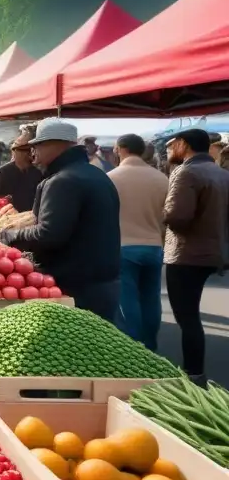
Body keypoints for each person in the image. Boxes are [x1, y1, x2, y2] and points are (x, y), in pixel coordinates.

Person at [0, 119, 122, 322]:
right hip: (101, 281)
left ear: (56, 144)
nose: (32, 153)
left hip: (75, 286)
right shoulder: (97, 175)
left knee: (77, 348)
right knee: (97, 347)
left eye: (37, 146)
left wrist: (9, 235)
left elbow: (48, 234)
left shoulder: (63, 181)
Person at [162, 127, 229, 382]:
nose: (171, 149)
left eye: (173, 144)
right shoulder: (221, 173)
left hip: (186, 254)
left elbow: (177, 217)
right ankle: (194, 370)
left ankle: (193, 373)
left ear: (184, 144)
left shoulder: (186, 171)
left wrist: (163, 210)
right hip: (213, 251)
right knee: (190, 315)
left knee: (187, 317)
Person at [107, 133, 169, 351]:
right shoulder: (161, 178)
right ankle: (151, 347)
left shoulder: (112, 178)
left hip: (123, 247)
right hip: (154, 246)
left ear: (121, 149)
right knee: (151, 300)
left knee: (128, 302)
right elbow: (166, 217)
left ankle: (133, 350)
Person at [0, 133, 43, 212]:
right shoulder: (2, 173)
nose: (30, 154)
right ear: (14, 151)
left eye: (32, 149)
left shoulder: (41, 172)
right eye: (25, 150)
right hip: (11, 219)